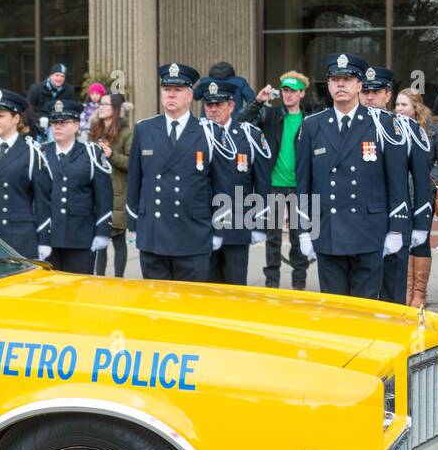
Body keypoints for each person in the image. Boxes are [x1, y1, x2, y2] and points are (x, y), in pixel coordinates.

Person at [295, 54, 409, 300]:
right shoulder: (312, 125)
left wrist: (397, 229)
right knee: (335, 311)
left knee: (366, 309)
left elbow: (397, 180)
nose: (341, 85)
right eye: (335, 79)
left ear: (359, 85)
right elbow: (303, 183)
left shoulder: (382, 124)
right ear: (328, 85)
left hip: (369, 231)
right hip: (328, 232)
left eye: (347, 79)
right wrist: (303, 230)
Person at [126, 62, 217, 282]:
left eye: (178, 90)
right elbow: (135, 180)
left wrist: (219, 228)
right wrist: (134, 224)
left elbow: (219, 184)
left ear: (189, 95)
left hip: (192, 234)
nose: (171, 95)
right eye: (167, 90)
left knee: (190, 306)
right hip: (154, 235)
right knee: (157, 306)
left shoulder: (208, 131)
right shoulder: (144, 129)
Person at [240, 70, 320, 289]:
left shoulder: (311, 118)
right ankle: (272, 284)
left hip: (300, 186)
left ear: (302, 93)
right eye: (285, 90)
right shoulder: (271, 115)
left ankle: (299, 285)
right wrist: (257, 101)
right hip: (274, 185)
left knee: (298, 236)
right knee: (273, 238)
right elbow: (242, 121)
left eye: (293, 91)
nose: (288, 95)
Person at [360, 66, 433, 305]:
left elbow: (422, 179)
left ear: (388, 94)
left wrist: (421, 224)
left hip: (396, 218)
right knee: (361, 297)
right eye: (366, 91)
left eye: (377, 91)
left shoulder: (407, 128)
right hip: (359, 221)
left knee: (392, 295)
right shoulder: (346, 126)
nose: (370, 97)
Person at [197, 79, 271, 285]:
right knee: (205, 289)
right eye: (208, 104)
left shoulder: (250, 136)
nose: (212, 109)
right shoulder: (195, 134)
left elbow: (263, 182)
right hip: (202, 225)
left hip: (237, 224)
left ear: (231, 106)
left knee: (235, 286)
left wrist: (260, 224)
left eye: (218, 104)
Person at [35, 99, 113, 273]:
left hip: (81, 236)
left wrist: (102, 231)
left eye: (63, 122)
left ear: (76, 125)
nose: (57, 127)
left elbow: (104, 195)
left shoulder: (91, 153)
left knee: (79, 289)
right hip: (49, 236)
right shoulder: (41, 152)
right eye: (54, 122)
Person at [0, 88, 47, 258]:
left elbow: (42, 201)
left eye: (1, 115)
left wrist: (43, 240)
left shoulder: (32, 152)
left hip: (19, 236)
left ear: (16, 118)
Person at [399, 88, 438, 307]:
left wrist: (431, 182)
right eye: (397, 105)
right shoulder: (391, 129)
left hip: (423, 196)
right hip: (399, 195)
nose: (399, 109)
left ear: (415, 108)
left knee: (420, 241)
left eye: (404, 105)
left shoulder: (431, 131)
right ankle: (404, 290)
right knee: (401, 241)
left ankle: (419, 293)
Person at [89, 92, 132, 277]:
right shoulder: (95, 130)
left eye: (105, 104)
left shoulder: (126, 132)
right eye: (100, 104)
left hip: (118, 191)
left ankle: (119, 279)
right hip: (97, 190)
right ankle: (99, 278)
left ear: (115, 109)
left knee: (118, 239)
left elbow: (132, 163)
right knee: (100, 240)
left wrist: (110, 154)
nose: (101, 107)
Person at [27, 62, 70, 142]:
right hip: (37, 124)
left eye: (62, 76)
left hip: (59, 124)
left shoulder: (69, 90)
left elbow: (70, 110)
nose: (59, 78)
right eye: (57, 75)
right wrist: (36, 122)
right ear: (50, 76)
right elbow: (29, 109)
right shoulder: (36, 89)